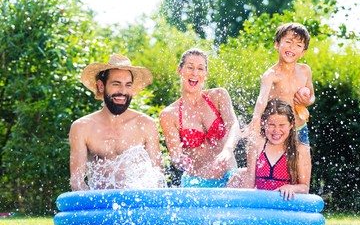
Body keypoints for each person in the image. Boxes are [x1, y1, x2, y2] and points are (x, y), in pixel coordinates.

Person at [69, 54, 166, 191]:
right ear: (101, 86)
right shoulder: (82, 128)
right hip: (100, 205)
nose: (123, 91)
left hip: (136, 206)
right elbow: (77, 181)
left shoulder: (146, 125)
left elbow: (158, 177)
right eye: (116, 84)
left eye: (128, 85)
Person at [159, 48, 241, 187]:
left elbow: (234, 125)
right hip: (196, 183)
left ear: (206, 73)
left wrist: (227, 149)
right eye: (190, 67)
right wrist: (180, 160)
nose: (195, 73)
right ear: (180, 70)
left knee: (244, 177)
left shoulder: (218, 96)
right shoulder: (169, 114)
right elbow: (175, 154)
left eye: (200, 68)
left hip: (229, 177)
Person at [247, 22, 315, 147]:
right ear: (277, 44)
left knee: (302, 165)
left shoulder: (305, 71)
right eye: (288, 42)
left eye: (298, 45)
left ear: (303, 52)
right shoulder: (271, 75)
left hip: (300, 128)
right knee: (275, 165)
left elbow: (312, 95)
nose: (292, 47)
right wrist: (256, 120)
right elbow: (261, 99)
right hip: (277, 132)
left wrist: (307, 102)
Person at [241, 99, 311, 200]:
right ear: (263, 124)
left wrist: (290, 187)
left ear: (291, 125)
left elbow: (305, 188)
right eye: (271, 125)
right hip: (261, 204)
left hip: (285, 207)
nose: (276, 130)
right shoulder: (256, 145)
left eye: (282, 125)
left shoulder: (300, 150)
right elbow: (249, 183)